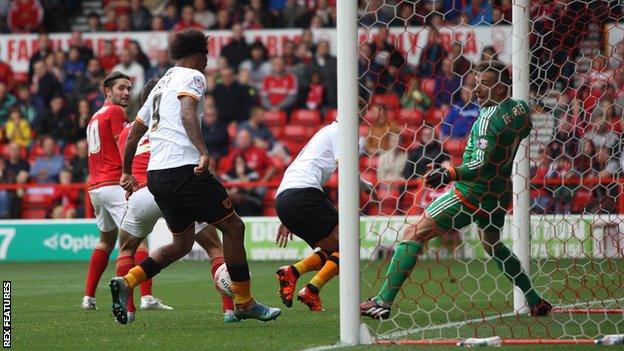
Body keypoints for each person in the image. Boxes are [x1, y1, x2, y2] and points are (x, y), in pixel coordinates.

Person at [113, 28, 281, 325]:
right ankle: (243, 302)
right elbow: (188, 112)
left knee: (181, 243)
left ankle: (128, 281)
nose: (208, 60)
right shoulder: (194, 76)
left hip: (157, 176)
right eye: (206, 54)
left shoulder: (161, 82)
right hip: (184, 170)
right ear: (196, 55)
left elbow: (135, 133)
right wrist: (203, 151)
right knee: (234, 228)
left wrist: (127, 170)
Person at [361, 60, 552, 319]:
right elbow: (525, 128)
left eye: (485, 83)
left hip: (471, 193)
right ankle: (534, 298)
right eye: (476, 83)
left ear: (501, 86)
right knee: (493, 244)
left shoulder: (487, 120)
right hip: (498, 194)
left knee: (413, 233)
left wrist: (448, 173)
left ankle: (382, 301)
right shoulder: (519, 109)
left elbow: (479, 165)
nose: (477, 89)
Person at [114, 78, 238, 323]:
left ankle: (128, 311)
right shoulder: (174, 125)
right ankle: (229, 311)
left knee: (127, 248)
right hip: (176, 189)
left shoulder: (128, 131)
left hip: (142, 195)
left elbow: (126, 164)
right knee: (214, 247)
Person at [274, 98, 374, 311]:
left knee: (333, 250)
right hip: (303, 194)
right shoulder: (341, 132)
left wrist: (286, 216)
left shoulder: (327, 132)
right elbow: (345, 165)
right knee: (348, 244)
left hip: (285, 197)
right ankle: (312, 289)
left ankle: (293, 272)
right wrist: (365, 185)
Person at [81, 72, 151, 310]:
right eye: (121, 88)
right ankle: (146, 298)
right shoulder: (115, 112)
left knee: (105, 242)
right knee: (138, 239)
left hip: (96, 188)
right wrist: (132, 174)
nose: (126, 93)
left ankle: (88, 298)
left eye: (129, 88)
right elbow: (124, 144)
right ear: (107, 91)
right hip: (114, 184)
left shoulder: (94, 117)